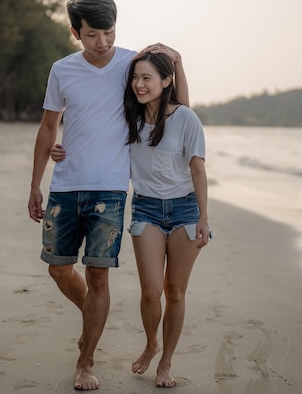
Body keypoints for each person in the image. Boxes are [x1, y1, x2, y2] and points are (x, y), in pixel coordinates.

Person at [27, 0, 188, 391]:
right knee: (59, 268)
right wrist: (35, 182)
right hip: (65, 185)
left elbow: (174, 104)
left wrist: (177, 61)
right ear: (76, 32)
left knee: (99, 276)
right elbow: (49, 127)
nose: (103, 43)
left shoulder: (131, 65)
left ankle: (86, 360)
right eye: (94, 34)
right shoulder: (62, 70)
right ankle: (93, 316)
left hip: (112, 189)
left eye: (109, 32)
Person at [51, 51, 210, 388]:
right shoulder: (129, 116)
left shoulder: (186, 119)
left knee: (176, 292)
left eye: (147, 78)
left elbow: (198, 168)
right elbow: (94, 135)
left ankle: (165, 363)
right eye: (135, 78)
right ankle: (152, 343)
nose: (138, 84)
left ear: (165, 81)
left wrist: (203, 218)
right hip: (146, 209)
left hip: (184, 210)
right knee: (152, 292)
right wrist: (59, 150)